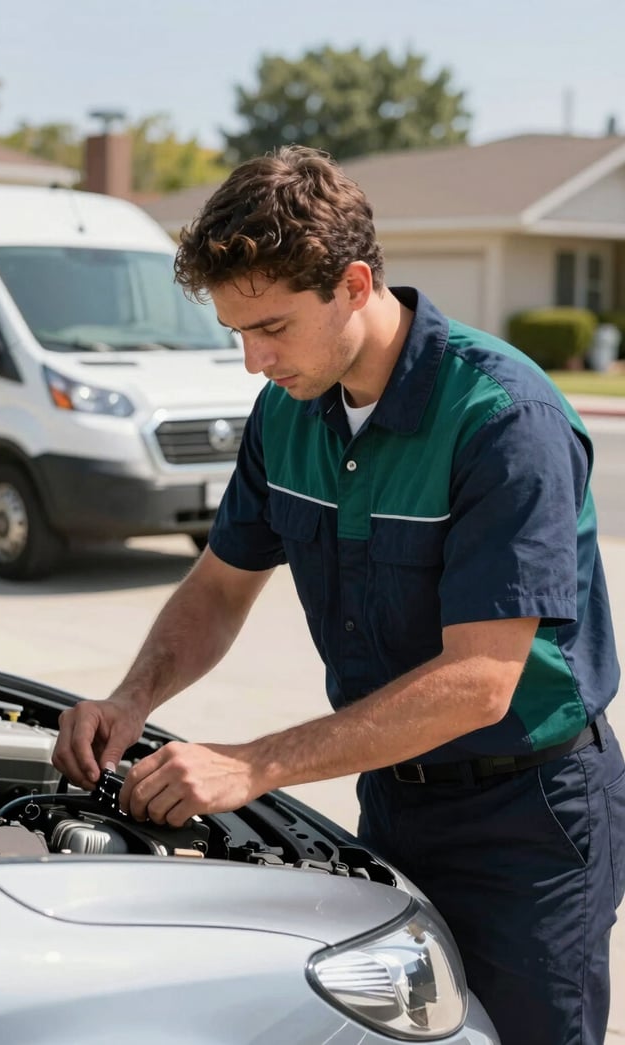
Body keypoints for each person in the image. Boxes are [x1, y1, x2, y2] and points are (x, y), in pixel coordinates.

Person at [52, 145, 625, 1044]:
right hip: (393, 800)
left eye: (272, 327)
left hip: (529, 819)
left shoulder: (504, 420)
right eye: (238, 333)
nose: (253, 361)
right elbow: (218, 586)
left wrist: (254, 764)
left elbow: (480, 680)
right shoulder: (286, 411)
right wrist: (132, 700)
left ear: (355, 284)